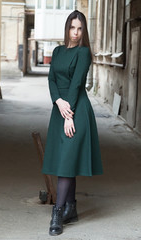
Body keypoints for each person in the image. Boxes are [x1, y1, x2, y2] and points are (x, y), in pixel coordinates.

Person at [42, 10, 103, 236]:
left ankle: (58, 211)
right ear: (67, 28)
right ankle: (71, 208)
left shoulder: (84, 52)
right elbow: (51, 79)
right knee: (64, 160)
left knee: (67, 161)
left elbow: (77, 84)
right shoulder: (57, 51)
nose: (76, 33)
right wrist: (58, 101)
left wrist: (70, 115)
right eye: (72, 28)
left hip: (76, 110)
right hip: (60, 108)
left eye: (80, 28)